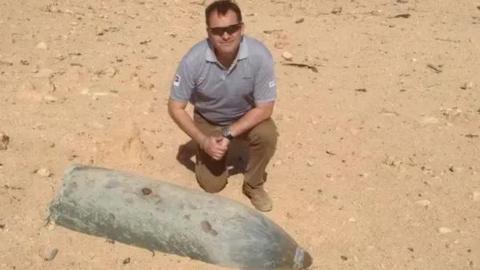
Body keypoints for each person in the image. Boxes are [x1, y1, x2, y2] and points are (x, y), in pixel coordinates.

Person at [168, 0, 278, 212]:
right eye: (218, 31)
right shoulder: (193, 60)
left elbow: (265, 107)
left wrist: (228, 134)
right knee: (212, 186)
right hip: (208, 120)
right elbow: (175, 106)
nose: (226, 36)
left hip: (244, 117)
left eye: (232, 29)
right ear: (208, 32)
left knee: (267, 134)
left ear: (242, 28)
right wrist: (203, 140)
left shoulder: (259, 56)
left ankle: (253, 184)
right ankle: (212, 151)